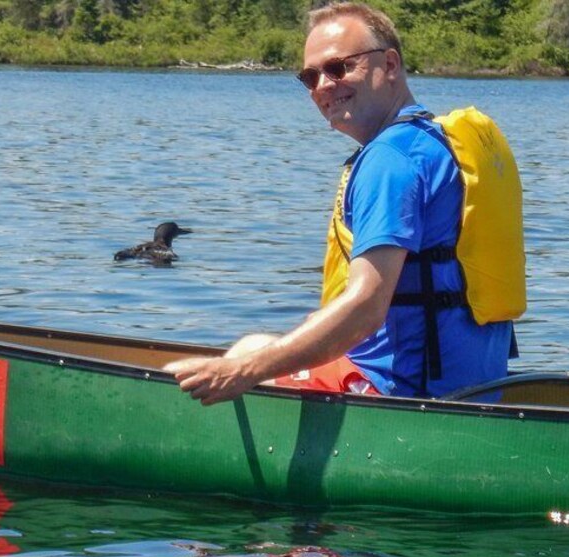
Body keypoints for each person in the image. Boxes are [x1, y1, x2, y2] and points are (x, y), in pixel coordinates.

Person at [165, 2, 525, 404]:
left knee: (249, 352)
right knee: (266, 345)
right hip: (478, 390)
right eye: (309, 76)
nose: (322, 85)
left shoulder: (392, 159)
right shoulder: (435, 144)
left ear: (389, 65)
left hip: (401, 395)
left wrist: (241, 372)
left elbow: (367, 306)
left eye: (338, 67)